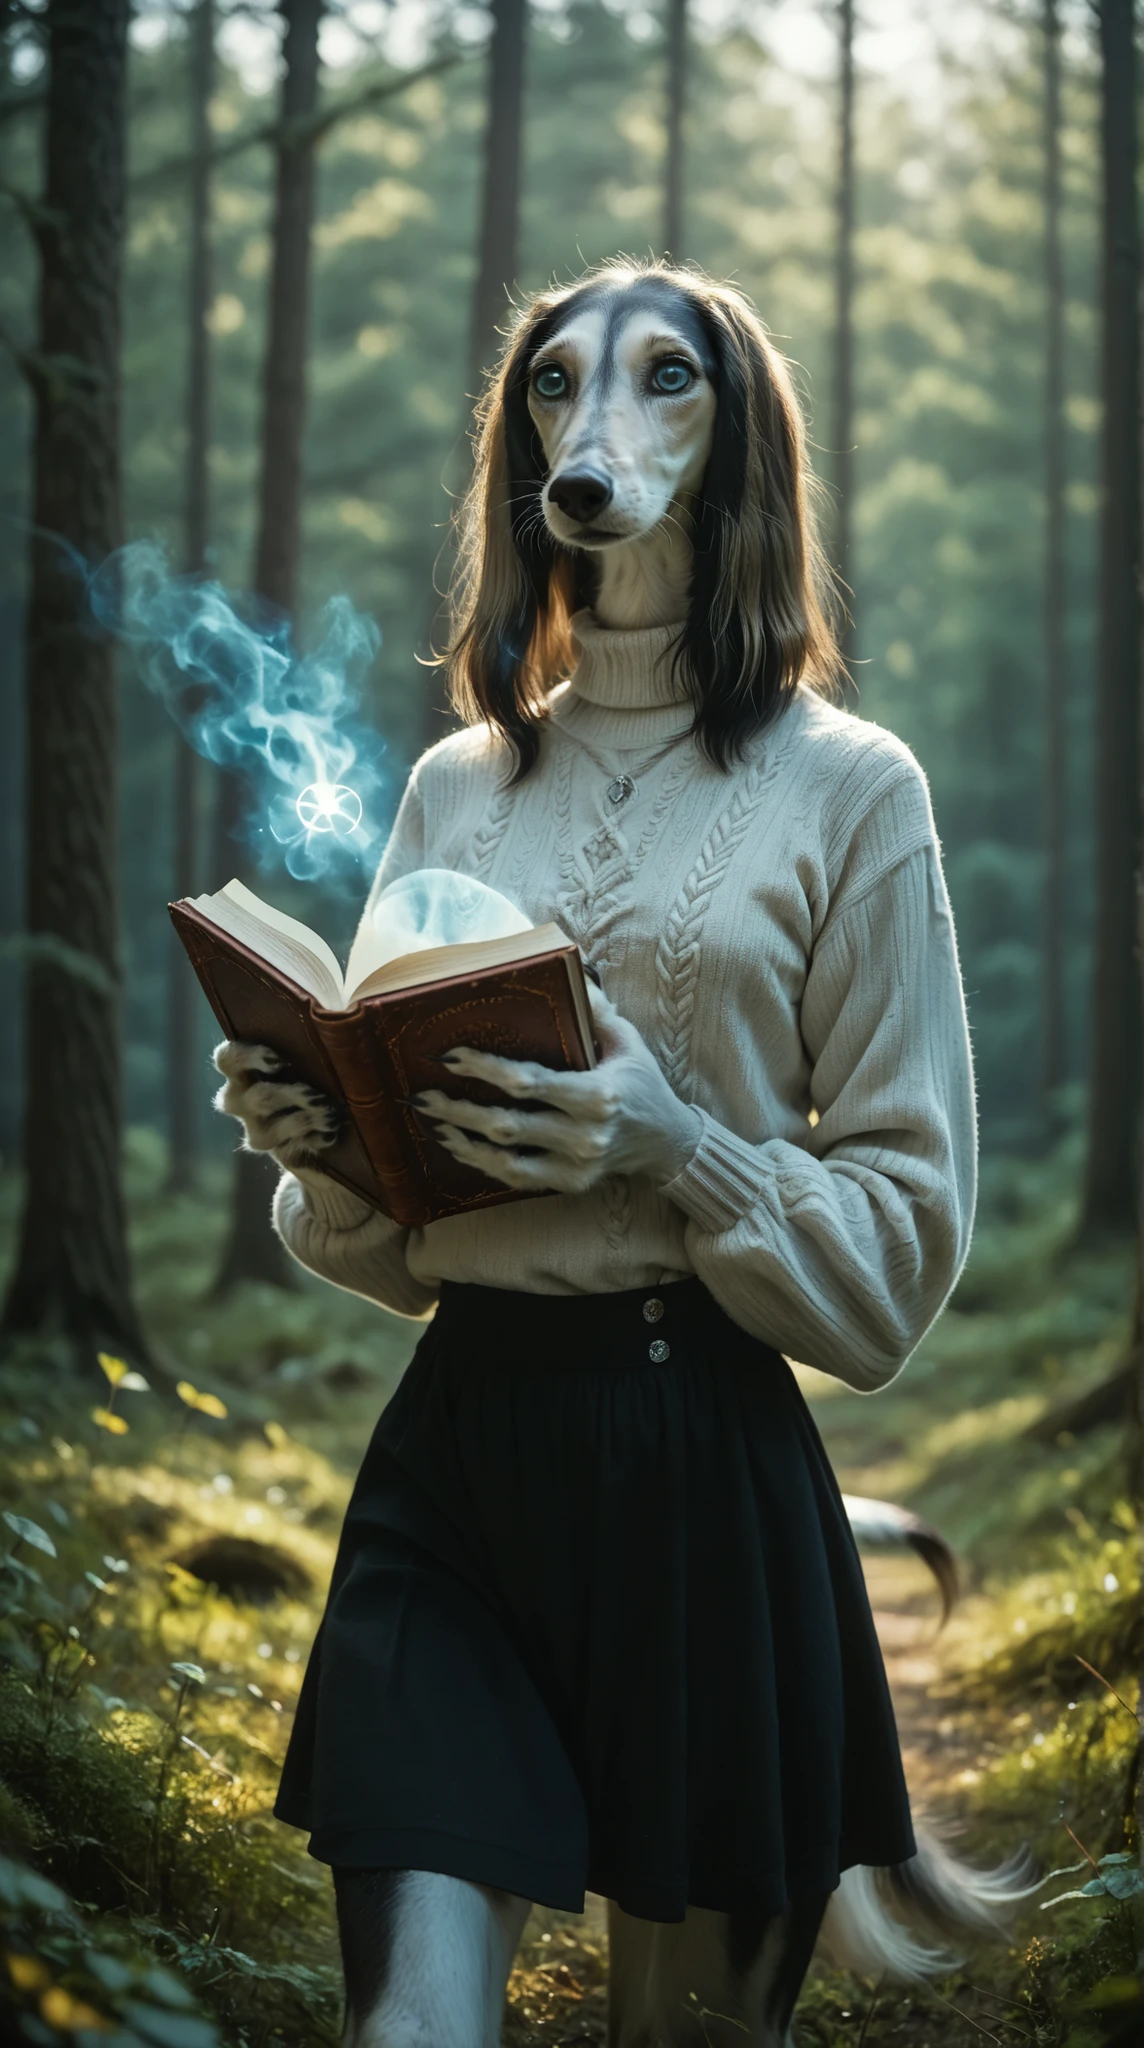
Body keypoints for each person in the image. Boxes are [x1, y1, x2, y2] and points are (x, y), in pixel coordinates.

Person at [214, 260, 977, 2044]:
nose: (595, 429)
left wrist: (675, 1145)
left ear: (733, 447)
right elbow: (405, 1248)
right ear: (523, 448)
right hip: (457, 1470)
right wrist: (328, 1148)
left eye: (660, 385)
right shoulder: (456, 788)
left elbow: (900, 1257)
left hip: (706, 1475)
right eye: (556, 390)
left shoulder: (858, 790)